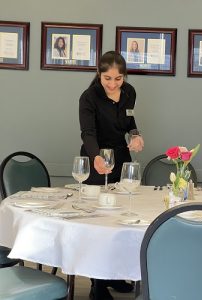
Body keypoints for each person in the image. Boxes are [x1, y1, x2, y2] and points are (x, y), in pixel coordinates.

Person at [79, 51, 144, 300]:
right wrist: (96, 157)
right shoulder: (89, 97)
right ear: (99, 74)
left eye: (118, 78)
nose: (113, 84)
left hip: (121, 159)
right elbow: (87, 132)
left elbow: (129, 121)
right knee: (99, 222)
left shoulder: (130, 92)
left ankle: (115, 275)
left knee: (118, 220)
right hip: (96, 158)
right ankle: (98, 283)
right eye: (108, 78)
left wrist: (136, 135)